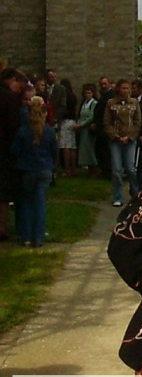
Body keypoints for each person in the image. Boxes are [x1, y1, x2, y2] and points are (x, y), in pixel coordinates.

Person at [11, 96, 58, 247]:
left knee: (26, 203)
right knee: (40, 204)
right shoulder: (49, 132)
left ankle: (26, 236)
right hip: (44, 169)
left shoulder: (23, 131)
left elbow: (15, 151)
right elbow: (55, 153)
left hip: (27, 169)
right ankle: (38, 237)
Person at [0, 68, 29, 241]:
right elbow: (13, 126)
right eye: (19, 87)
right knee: (3, 190)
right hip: (3, 149)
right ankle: (1, 226)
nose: (19, 91)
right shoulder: (9, 98)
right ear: (12, 80)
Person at [103, 79, 141, 207]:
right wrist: (115, 135)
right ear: (118, 89)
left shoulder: (134, 103)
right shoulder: (111, 103)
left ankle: (135, 194)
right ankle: (117, 196)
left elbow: (137, 121)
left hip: (130, 140)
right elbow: (107, 122)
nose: (125, 91)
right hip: (116, 140)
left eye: (127, 88)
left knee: (130, 168)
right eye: (123, 88)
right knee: (117, 170)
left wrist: (130, 136)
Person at [75, 83, 99, 176]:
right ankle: (89, 168)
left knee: (90, 149)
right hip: (83, 129)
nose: (87, 95)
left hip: (88, 129)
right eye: (86, 93)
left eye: (89, 93)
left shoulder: (94, 103)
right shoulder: (84, 103)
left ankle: (94, 169)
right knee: (85, 149)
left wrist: (81, 124)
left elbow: (91, 116)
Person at [56, 78, 77, 176]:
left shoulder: (65, 96)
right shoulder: (73, 96)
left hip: (65, 121)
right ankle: (73, 168)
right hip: (73, 121)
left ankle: (67, 169)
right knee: (72, 146)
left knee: (65, 146)